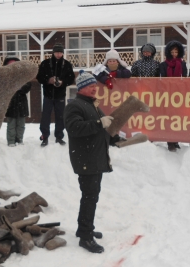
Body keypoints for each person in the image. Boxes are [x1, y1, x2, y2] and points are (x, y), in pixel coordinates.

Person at [64, 70, 124, 254]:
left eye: (95, 86)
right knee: (90, 197)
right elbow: (74, 128)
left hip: (95, 157)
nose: (94, 89)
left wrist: (115, 139)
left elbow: (102, 130)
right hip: (85, 159)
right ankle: (85, 238)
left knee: (91, 196)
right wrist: (99, 123)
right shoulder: (75, 106)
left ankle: (84, 228)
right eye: (90, 86)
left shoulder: (93, 106)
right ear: (81, 88)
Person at [37, 43, 75, 146]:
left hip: (60, 95)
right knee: (45, 116)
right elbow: (39, 78)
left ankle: (59, 136)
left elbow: (71, 79)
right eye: (57, 52)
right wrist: (48, 80)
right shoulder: (45, 64)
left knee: (61, 117)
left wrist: (63, 82)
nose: (59, 54)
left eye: (60, 52)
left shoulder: (67, 64)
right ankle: (44, 136)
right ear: (53, 53)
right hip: (48, 95)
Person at [159, 40, 188, 152]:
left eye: (176, 51)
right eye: (172, 51)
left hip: (179, 95)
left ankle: (176, 140)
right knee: (168, 118)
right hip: (167, 95)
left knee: (177, 118)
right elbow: (162, 81)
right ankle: (170, 141)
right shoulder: (163, 65)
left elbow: (185, 79)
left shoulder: (183, 64)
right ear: (168, 52)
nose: (174, 53)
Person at [4, 56, 32, 146]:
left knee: (21, 124)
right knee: (11, 124)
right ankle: (11, 141)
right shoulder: (5, 75)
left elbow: (28, 86)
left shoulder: (23, 75)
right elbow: (3, 87)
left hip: (21, 103)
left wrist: (20, 87)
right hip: (10, 103)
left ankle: (19, 139)